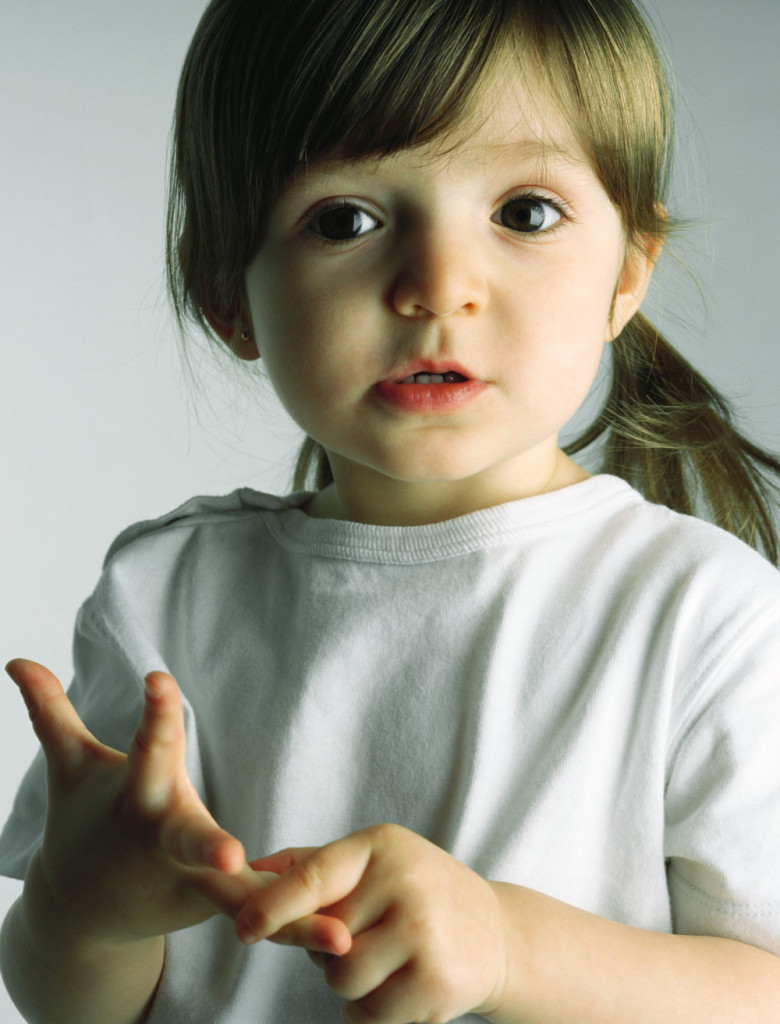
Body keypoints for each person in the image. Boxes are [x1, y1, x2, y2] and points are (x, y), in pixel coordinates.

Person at [2, 0, 780, 1021]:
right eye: (346, 219)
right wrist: (84, 906)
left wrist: (507, 947)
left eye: (525, 212)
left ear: (628, 273)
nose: (437, 286)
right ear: (226, 293)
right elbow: (77, 1003)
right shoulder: (168, 599)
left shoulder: (704, 614)